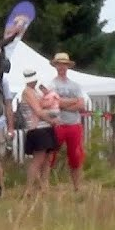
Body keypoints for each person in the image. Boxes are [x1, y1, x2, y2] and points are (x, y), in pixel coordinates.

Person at [46, 52, 87, 191]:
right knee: (50, 155)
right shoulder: (51, 85)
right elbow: (53, 103)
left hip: (73, 124)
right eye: (59, 64)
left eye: (64, 64)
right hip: (58, 124)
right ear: (55, 66)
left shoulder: (75, 85)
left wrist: (63, 103)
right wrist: (72, 101)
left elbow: (81, 105)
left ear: (68, 66)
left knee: (75, 156)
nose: (61, 67)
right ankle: (44, 185)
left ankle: (77, 186)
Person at [19, 69, 60, 193]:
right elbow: (38, 111)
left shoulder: (37, 91)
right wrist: (51, 119)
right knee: (38, 159)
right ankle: (29, 188)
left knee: (48, 158)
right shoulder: (27, 92)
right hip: (36, 128)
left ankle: (44, 186)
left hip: (46, 127)